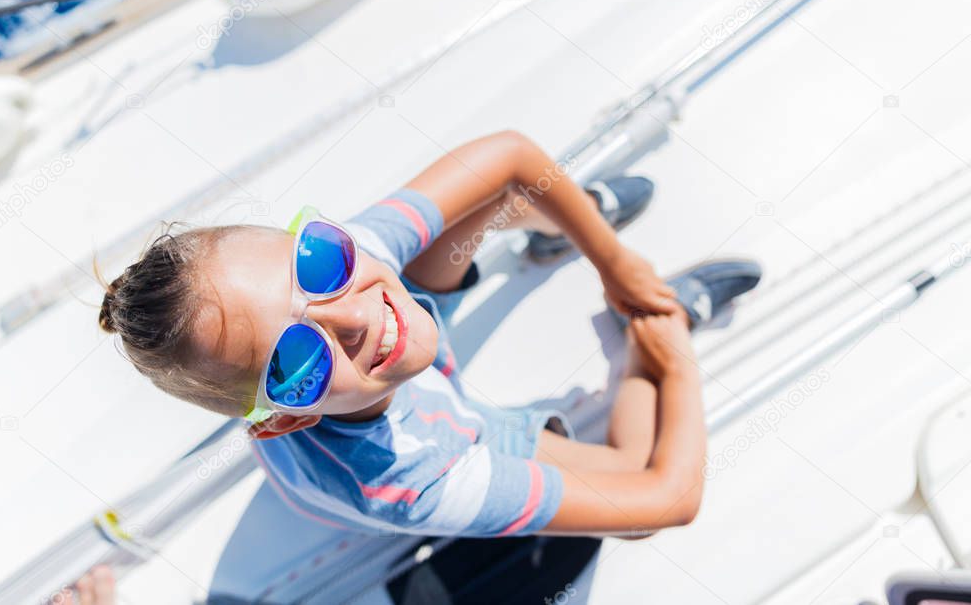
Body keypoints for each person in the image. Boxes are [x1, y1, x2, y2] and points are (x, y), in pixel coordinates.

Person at [99, 130, 760, 538]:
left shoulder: (355, 260)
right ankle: (646, 338)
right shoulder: (413, 481)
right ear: (281, 421)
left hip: (395, 381)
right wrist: (674, 363)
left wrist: (612, 259)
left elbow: (509, 152)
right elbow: (667, 500)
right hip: (454, 428)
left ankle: (560, 224)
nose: (356, 317)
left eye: (318, 261)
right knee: (633, 515)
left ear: (323, 235)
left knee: (485, 196)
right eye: (297, 360)